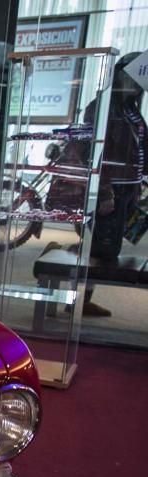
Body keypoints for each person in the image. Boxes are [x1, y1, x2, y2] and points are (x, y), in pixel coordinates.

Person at [80, 51, 147, 317]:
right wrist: (104, 191)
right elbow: (96, 154)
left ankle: (83, 296)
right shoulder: (104, 106)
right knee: (103, 248)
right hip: (111, 188)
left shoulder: (130, 109)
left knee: (109, 246)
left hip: (127, 188)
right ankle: (81, 299)